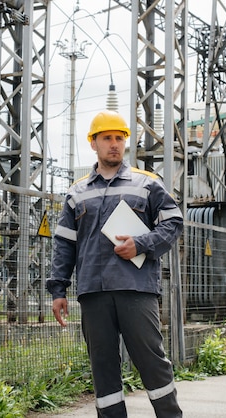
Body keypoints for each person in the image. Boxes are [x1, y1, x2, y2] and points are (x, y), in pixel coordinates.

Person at [47, 110, 184, 417]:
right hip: (93, 293)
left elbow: (173, 222)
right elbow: (64, 244)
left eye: (119, 138)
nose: (114, 144)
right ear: (93, 143)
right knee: (103, 367)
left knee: (152, 362)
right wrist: (58, 291)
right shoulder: (77, 192)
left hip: (135, 290)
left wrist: (141, 244)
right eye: (107, 138)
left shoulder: (146, 184)